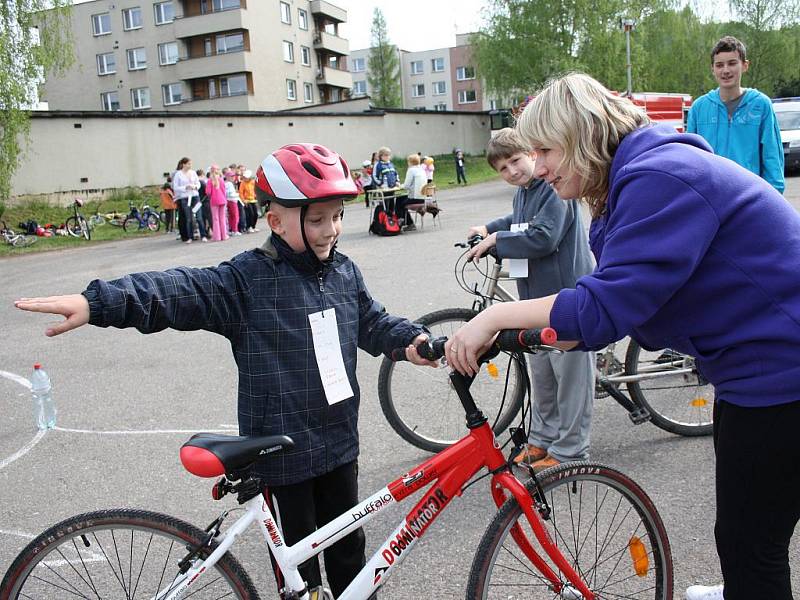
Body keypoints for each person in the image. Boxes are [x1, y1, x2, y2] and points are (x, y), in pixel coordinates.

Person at [14, 143, 436, 598]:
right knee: (300, 572)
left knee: (349, 553)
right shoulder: (246, 281)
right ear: (275, 221)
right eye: (316, 219)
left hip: (338, 442)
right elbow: (175, 292)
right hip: (284, 453)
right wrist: (96, 303)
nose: (330, 230)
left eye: (337, 216)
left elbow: (370, 320)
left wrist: (408, 342)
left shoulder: (343, 272)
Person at [444, 73, 800, 600]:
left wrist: (496, 318)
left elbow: (605, 305)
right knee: (744, 538)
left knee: (753, 545)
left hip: (781, 375)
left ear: (586, 134)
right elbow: (621, 307)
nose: (537, 166)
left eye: (545, 149)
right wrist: (552, 329)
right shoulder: (635, 177)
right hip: (754, 372)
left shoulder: (661, 176)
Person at [465, 127, 595, 472]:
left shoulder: (554, 189)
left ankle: (570, 450)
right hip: (535, 299)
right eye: (503, 168)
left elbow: (543, 237)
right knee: (542, 374)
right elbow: (518, 222)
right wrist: (488, 228)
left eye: (515, 161)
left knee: (570, 377)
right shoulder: (524, 193)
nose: (512, 171)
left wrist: (497, 240)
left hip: (564, 295)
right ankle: (542, 439)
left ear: (532, 155)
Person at [687, 35, 784, 193]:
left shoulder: (761, 105)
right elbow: (690, 160)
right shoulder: (699, 108)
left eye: (732, 63)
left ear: (745, 65)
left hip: (749, 199)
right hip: (711, 198)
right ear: (712, 69)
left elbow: (772, 158)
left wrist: (772, 198)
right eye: (719, 65)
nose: (725, 70)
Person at [172, 157, 200, 243]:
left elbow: (197, 183)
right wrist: (185, 187)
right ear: (183, 164)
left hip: (194, 196)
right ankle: (187, 236)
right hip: (183, 197)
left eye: (190, 164)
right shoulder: (178, 174)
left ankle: (199, 232)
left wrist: (195, 187)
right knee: (187, 217)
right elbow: (175, 187)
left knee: (197, 214)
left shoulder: (193, 173)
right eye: (188, 164)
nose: (190, 165)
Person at [401, 153, 428, 232]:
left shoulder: (411, 170)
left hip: (415, 197)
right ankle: (406, 222)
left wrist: (400, 186)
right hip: (423, 198)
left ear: (410, 162)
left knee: (400, 203)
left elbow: (406, 185)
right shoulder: (421, 169)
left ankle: (408, 223)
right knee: (402, 199)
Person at [206, 165, 228, 242]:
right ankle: (224, 235)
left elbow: (208, 192)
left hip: (214, 201)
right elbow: (224, 191)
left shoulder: (209, 181)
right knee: (222, 218)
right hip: (222, 200)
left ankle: (217, 237)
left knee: (215, 219)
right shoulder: (221, 180)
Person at [239, 169, 259, 233]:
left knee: (255, 214)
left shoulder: (253, 182)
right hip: (247, 201)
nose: (245, 178)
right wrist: (243, 200)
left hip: (253, 200)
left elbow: (255, 190)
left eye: (246, 177)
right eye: (244, 177)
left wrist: (256, 196)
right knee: (250, 214)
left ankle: (253, 226)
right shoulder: (242, 183)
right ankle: (249, 227)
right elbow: (241, 193)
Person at [224, 168, 242, 236]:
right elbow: (229, 193)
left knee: (231, 216)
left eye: (234, 176)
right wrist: (237, 194)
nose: (233, 177)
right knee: (235, 216)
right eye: (232, 176)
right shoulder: (229, 184)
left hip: (230, 200)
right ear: (227, 177)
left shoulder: (227, 183)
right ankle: (235, 230)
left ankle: (232, 229)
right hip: (232, 201)